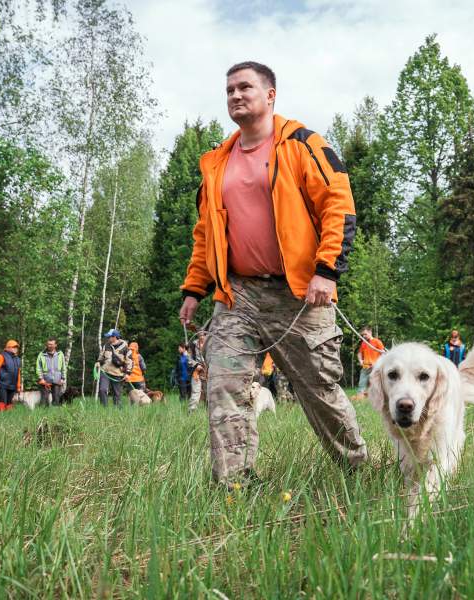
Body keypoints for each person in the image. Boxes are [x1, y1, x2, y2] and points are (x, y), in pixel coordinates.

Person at [177, 61, 368, 486]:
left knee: (319, 391)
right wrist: (195, 288)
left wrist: (327, 270)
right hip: (238, 296)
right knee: (224, 387)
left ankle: (358, 472)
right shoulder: (216, 163)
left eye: (245, 87)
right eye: (229, 90)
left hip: (300, 294)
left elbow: (339, 205)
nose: (235, 95)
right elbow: (206, 233)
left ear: (270, 95)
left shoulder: (302, 144)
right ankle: (235, 487)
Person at [96, 329, 132, 407]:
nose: (108, 338)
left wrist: (128, 373)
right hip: (105, 372)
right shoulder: (106, 345)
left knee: (117, 394)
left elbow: (130, 361)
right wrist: (98, 362)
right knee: (102, 390)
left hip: (118, 374)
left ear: (115, 337)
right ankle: (103, 409)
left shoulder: (125, 347)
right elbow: (101, 356)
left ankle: (117, 411)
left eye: (109, 337)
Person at [0, 339, 22, 411]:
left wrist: (18, 386)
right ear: (7, 347)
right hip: (2, 383)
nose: (15, 349)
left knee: (10, 402)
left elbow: (18, 373)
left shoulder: (17, 359)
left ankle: (8, 417)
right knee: (2, 401)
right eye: (13, 347)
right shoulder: (0, 356)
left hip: (12, 385)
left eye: (16, 347)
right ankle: (0, 416)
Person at [35, 338, 66, 406]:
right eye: (48, 344)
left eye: (51, 344)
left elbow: (63, 367)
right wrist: (41, 379)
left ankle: (55, 415)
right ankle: (43, 414)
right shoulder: (41, 354)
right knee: (44, 401)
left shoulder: (60, 354)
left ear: (55, 345)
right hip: (45, 381)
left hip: (57, 380)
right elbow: (38, 368)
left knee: (57, 400)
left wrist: (63, 378)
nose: (49, 346)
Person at [357, 326, 385, 396]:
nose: (364, 336)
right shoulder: (363, 343)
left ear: (370, 332)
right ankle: (360, 396)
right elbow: (359, 353)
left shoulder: (377, 342)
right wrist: (360, 360)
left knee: (375, 383)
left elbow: (383, 353)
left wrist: (377, 363)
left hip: (375, 367)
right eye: (362, 335)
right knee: (362, 382)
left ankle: (376, 396)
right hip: (365, 366)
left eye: (365, 334)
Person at [188, 333, 207, 412]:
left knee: (209, 394)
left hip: (208, 372)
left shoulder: (211, 344)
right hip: (197, 372)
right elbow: (189, 359)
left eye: (203, 335)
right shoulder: (193, 345)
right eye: (200, 335)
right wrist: (196, 365)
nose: (202, 337)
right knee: (196, 393)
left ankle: (209, 413)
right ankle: (191, 412)